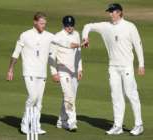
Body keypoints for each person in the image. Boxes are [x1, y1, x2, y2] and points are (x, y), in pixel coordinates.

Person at [81, 3, 145, 136]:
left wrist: (141, 64)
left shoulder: (129, 26)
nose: (111, 14)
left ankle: (138, 124)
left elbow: (138, 44)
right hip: (113, 67)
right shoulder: (106, 27)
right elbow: (88, 26)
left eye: (113, 11)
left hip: (126, 66)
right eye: (109, 12)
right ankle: (117, 126)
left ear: (120, 12)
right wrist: (85, 37)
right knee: (116, 96)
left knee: (131, 94)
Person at [6, 12, 54, 135]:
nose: (44, 25)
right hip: (29, 71)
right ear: (35, 22)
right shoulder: (25, 35)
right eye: (41, 23)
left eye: (45, 23)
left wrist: (78, 44)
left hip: (42, 73)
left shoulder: (49, 36)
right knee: (32, 97)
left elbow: (63, 43)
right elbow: (16, 53)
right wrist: (10, 69)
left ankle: (35, 126)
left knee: (39, 101)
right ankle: (24, 124)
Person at [49, 15, 82, 132]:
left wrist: (80, 69)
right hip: (62, 70)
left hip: (74, 70)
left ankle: (61, 121)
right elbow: (51, 56)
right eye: (67, 26)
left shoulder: (77, 34)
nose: (70, 28)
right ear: (63, 25)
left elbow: (78, 53)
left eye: (71, 25)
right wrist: (53, 73)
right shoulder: (57, 37)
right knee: (68, 96)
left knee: (70, 96)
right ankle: (72, 122)